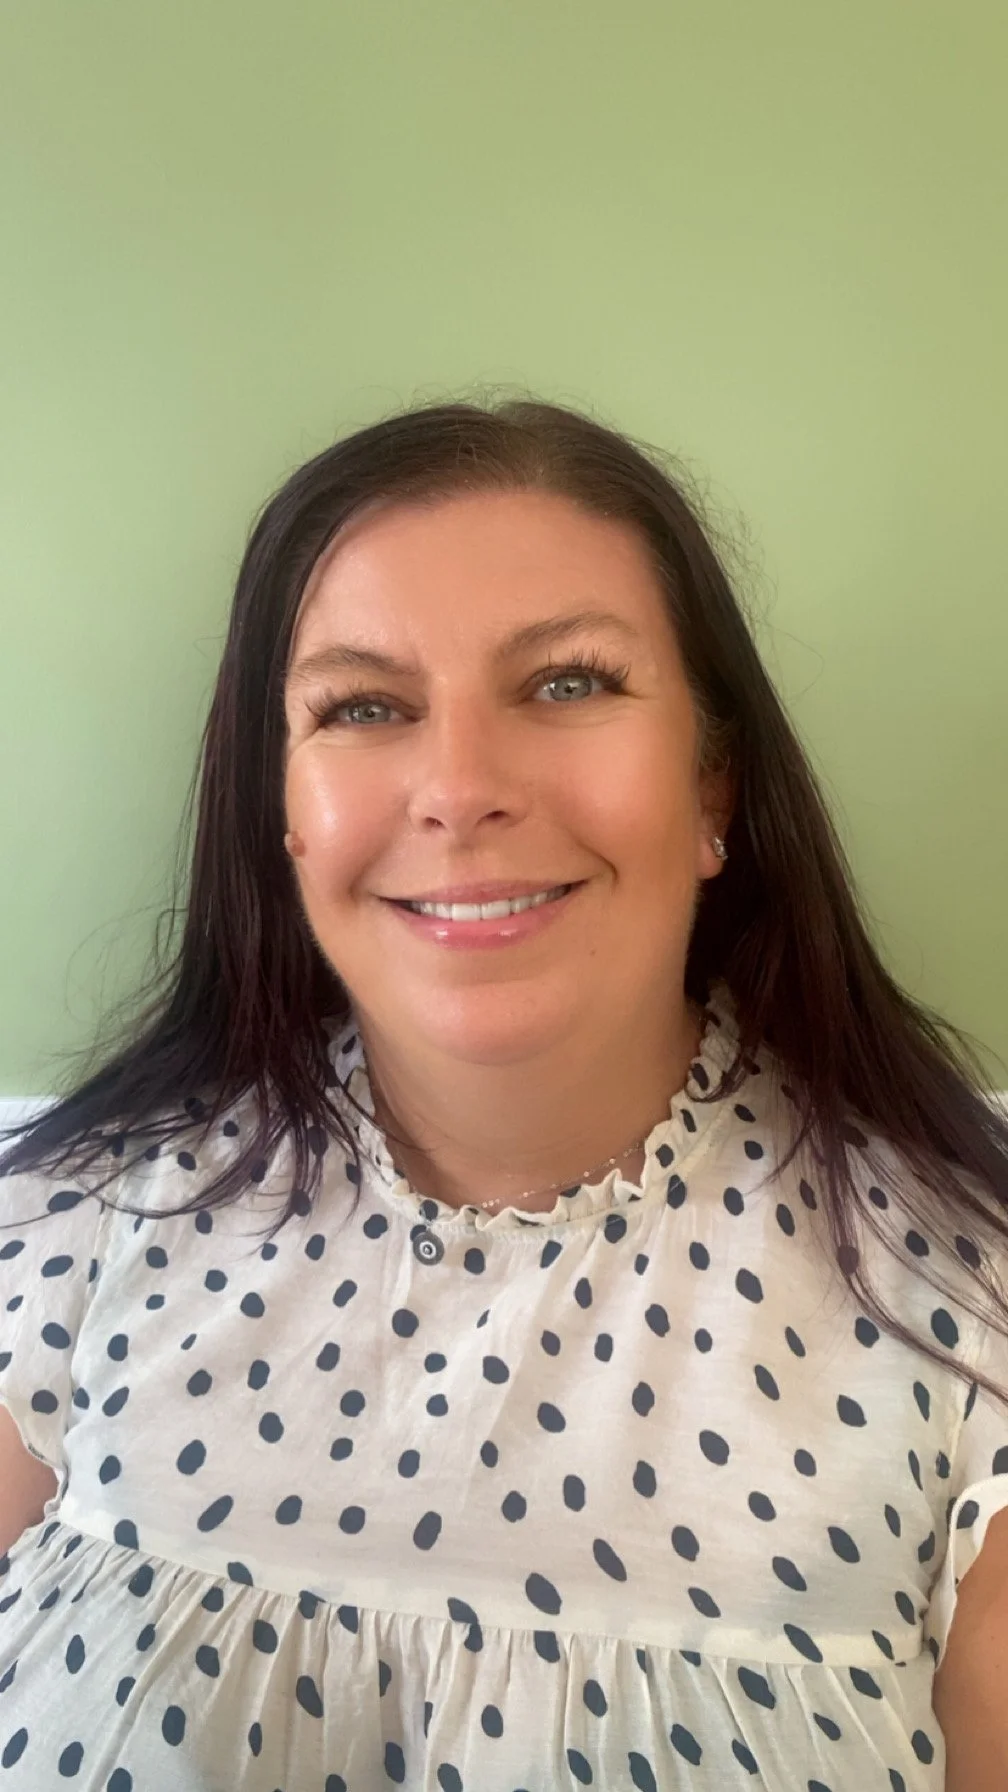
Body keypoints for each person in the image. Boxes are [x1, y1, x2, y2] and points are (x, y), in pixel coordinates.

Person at [1, 397, 1006, 1792]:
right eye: (362, 707)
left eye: (569, 683)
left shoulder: (966, 1314)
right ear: (280, 813)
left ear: (713, 779)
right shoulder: (69, 1224)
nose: (459, 787)